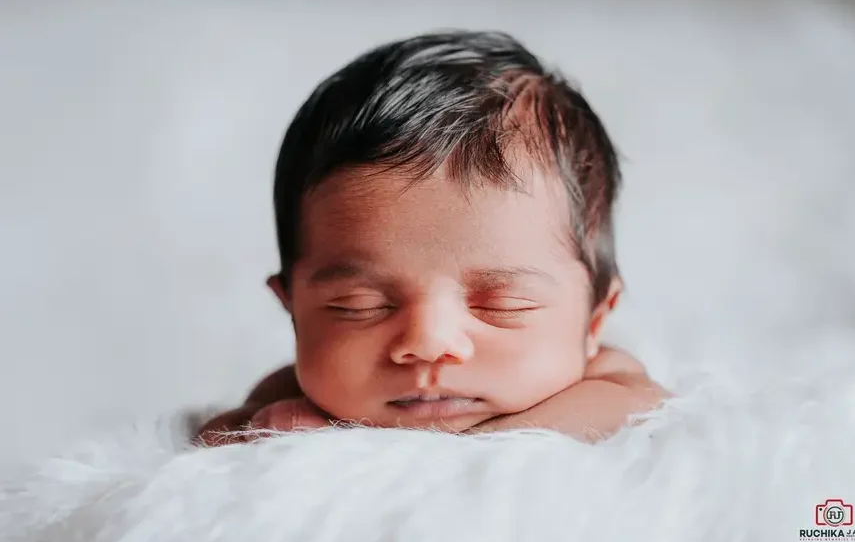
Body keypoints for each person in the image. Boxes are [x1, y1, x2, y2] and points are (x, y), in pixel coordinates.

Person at [195, 30, 668, 448]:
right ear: (294, 310)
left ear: (593, 321)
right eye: (358, 305)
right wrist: (269, 429)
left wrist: (468, 453)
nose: (427, 342)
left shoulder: (609, 382)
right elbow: (214, 437)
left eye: (503, 304)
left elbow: (641, 409)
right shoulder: (296, 390)